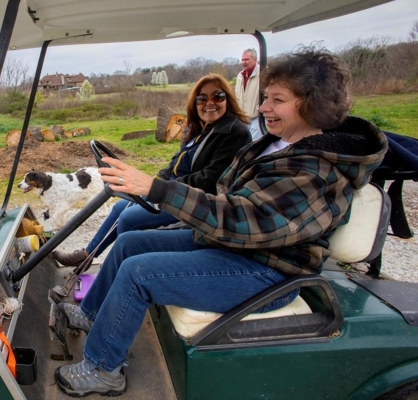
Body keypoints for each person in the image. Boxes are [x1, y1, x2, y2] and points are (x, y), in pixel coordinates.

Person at [53, 47, 387, 397]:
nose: (263, 108)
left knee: (140, 273)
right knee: (130, 242)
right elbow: (232, 199)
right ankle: (92, 314)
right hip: (239, 249)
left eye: (277, 100)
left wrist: (159, 189)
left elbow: (245, 219)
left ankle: (103, 368)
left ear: (311, 104)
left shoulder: (314, 171)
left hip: (267, 271)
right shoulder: (282, 144)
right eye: (265, 98)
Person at [52, 73, 252, 267]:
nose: (210, 103)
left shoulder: (234, 132)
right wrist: (153, 180)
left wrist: (160, 188)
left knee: (128, 219)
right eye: (202, 98)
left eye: (217, 96)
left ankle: (115, 269)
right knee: (119, 207)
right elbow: (176, 163)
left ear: (228, 98)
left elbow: (209, 180)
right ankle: (87, 256)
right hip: (172, 191)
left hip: (194, 203)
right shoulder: (202, 129)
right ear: (195, 103)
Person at [235, 48, 262, 140]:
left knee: (254, 145)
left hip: (257, 118)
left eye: (247, 59)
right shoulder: (240, 76)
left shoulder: (262, 73)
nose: (244, 62)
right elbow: (237, 96)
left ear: (255, 59)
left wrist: (259, 109)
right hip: (243, 119)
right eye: (242, 60)